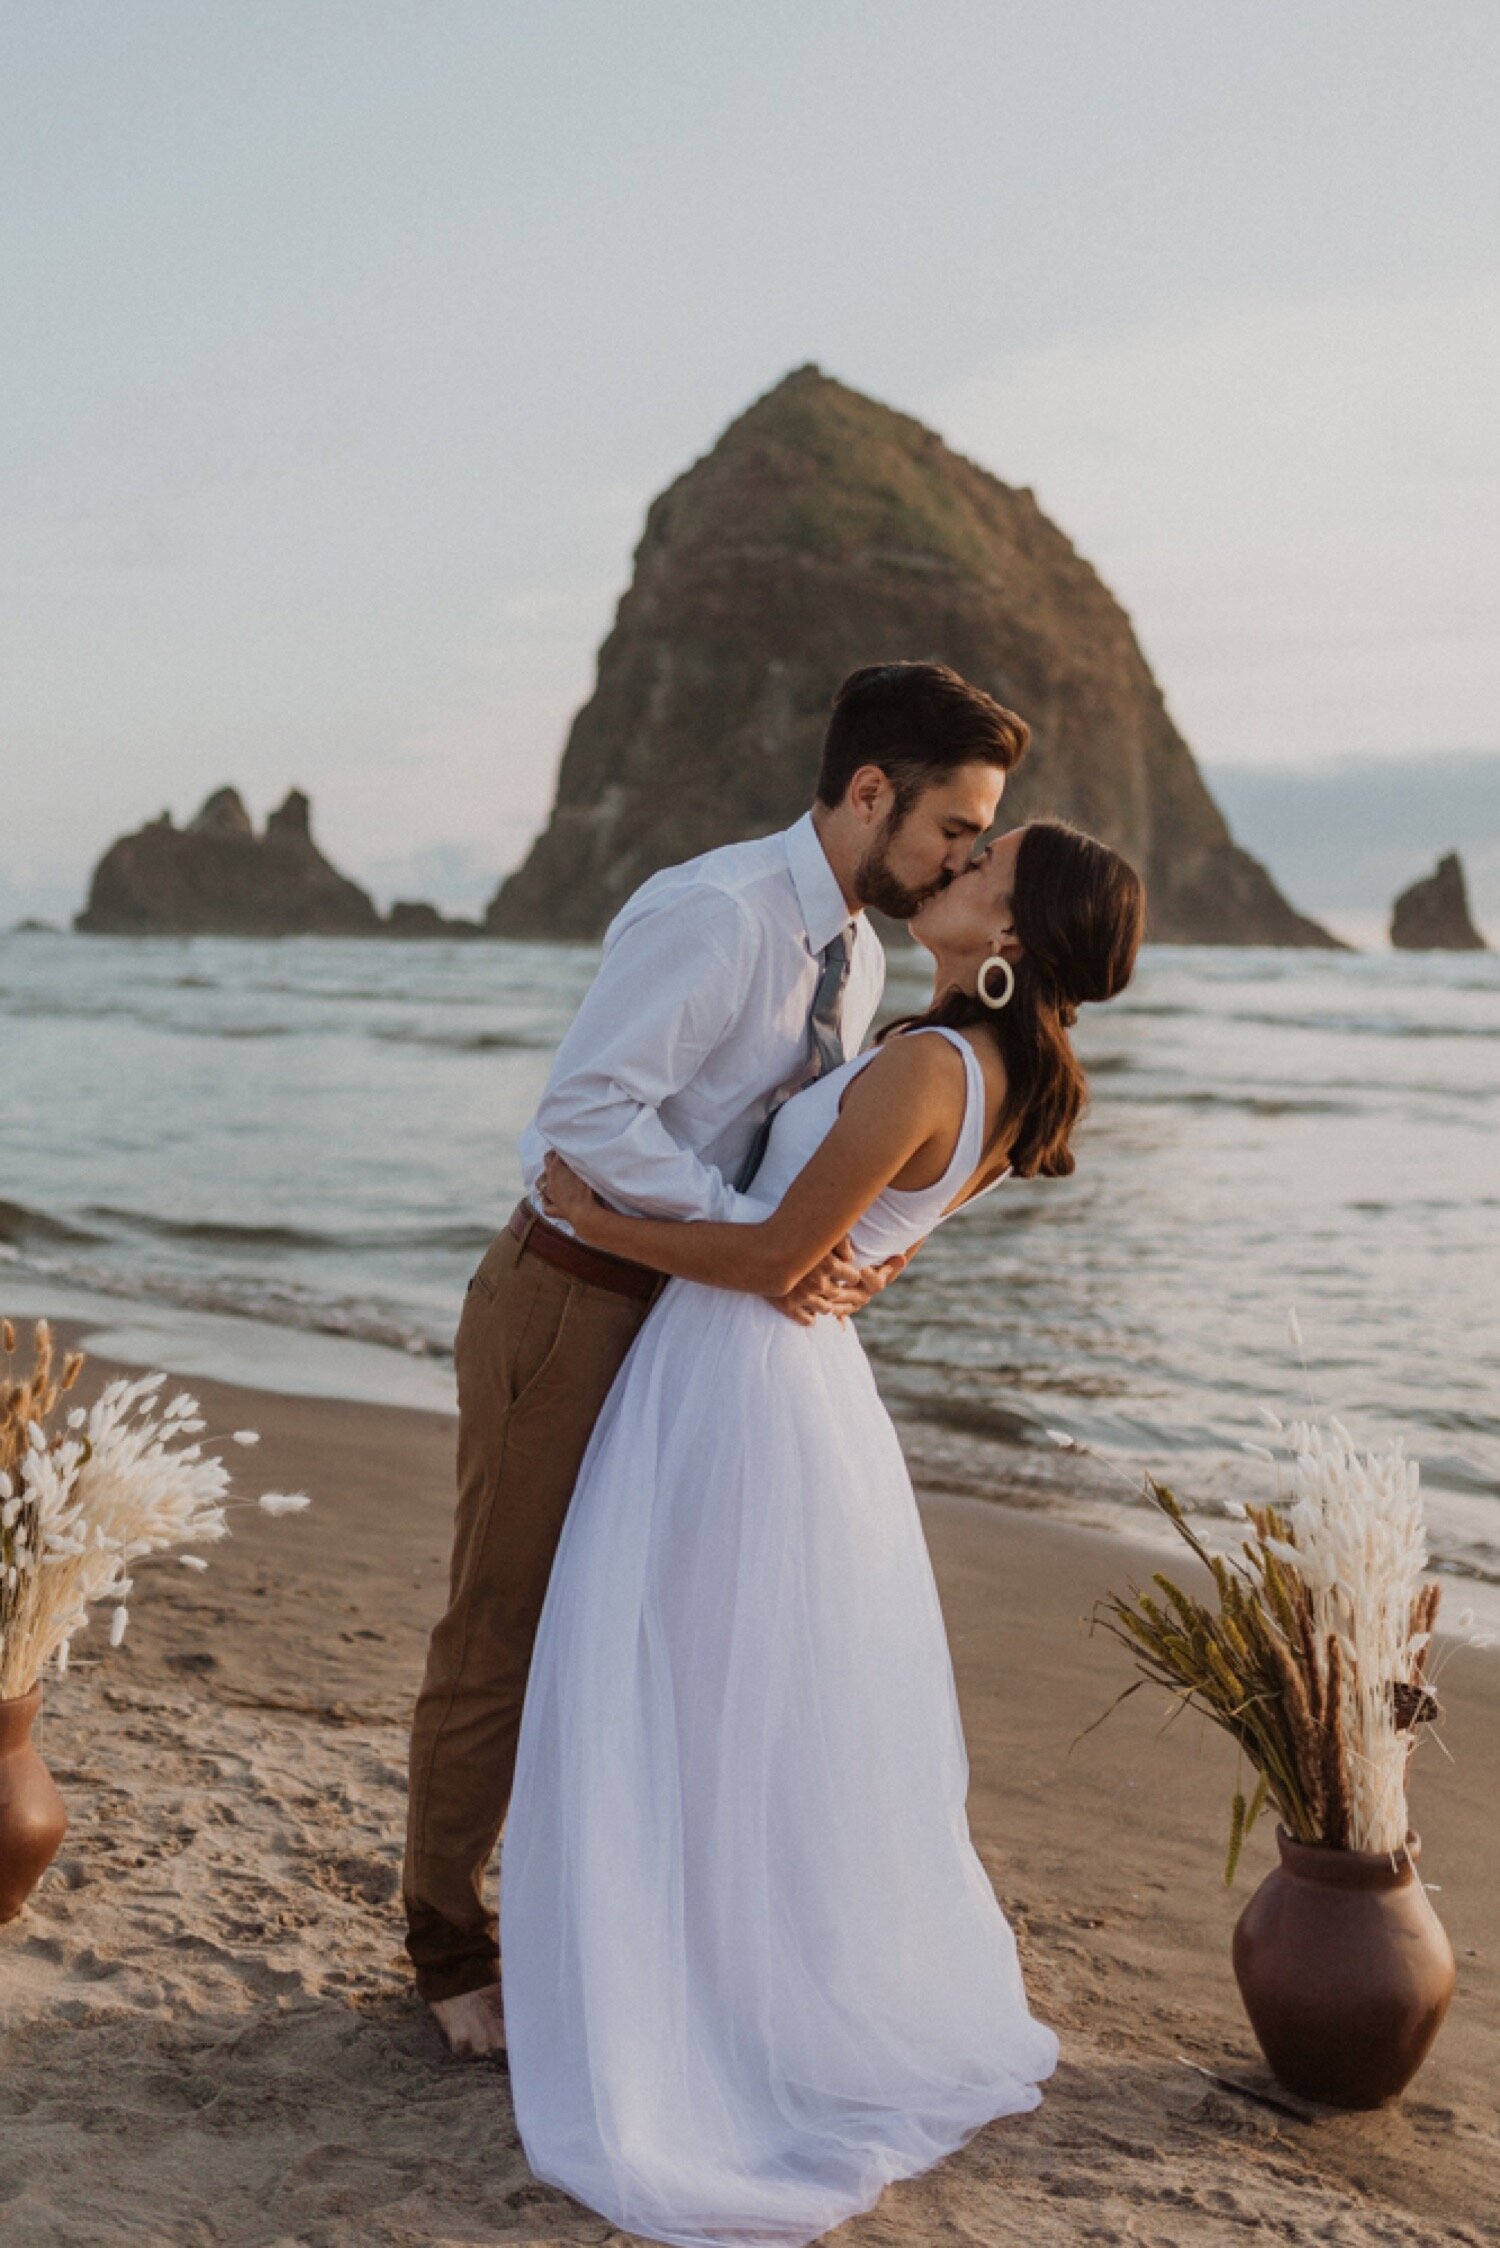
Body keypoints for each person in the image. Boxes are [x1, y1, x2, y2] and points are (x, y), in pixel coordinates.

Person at [504, 815, 1146, 2246]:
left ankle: (699, 2015)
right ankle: (715, 1978)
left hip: (738, 1384)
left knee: (677, 1686)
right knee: (740, 1707)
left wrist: (588, 1211)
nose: (953, 874)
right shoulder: (998, 1078)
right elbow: (861, 1246)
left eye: (983, 873)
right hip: (793, 1393)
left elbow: (775, 1259)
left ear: (1016, 937)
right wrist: (834, 1257)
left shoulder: (930, 1062)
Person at [403, 661, 1032, 2056]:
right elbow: (586, 1119)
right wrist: (767, 1241)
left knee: (634, 1637)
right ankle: (444, 1942)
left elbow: (827, 1147)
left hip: (696, 1333)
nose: (956, 860)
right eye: (950, 830)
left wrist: (842, 1249)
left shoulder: (865, 958)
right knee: (502, 1623)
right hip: (568, 1300)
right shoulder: (717, 913)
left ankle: (601, 1928)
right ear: (871, 793)